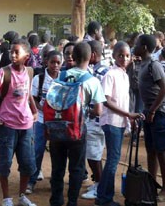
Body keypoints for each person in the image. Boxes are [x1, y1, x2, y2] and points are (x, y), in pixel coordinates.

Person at [48, 42, 105, 206]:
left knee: (57, 168)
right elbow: (99, 111)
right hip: (77, 130)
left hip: (57, 127)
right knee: (76, 169)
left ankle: (56, 201)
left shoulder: (60, 75)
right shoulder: (92, 80)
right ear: (90, 57)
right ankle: (72, 202)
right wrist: (86, 110)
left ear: (73, 56)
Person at [0, 38, 38, 206]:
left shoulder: (29, 72)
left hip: (26, 125)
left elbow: (28, 94)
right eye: (11, 52)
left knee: (27, 163)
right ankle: (7, 198)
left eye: (17, 52)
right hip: (7, 125)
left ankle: (22, 196)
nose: (13, 55)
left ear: (27, 56)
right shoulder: (3, 73)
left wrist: (34, 111)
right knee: (5, 163)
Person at [94, 42, 143, 206]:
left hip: (120, 121)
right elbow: (105, 101)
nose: (124, 58)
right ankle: (104, 198)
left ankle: (103, 194)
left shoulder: (124, 74)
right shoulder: (111, 74)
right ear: (114, 55)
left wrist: (129, 119)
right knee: (113, 160)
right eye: (121, 55)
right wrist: (128, 115)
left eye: (127, 55)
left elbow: (123, 101)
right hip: (112, 122)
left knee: (113, 159)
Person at [133, 34, 165, 202]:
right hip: (150, 112)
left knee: (161, 150)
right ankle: (151, 184)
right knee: (150, 149)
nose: (134, 46)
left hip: (161, 112)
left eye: (136, 44)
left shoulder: (153, 65)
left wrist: (154, 109)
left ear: (144, 47)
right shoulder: (141, 64)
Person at [26, 50, 62, 195]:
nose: (55, 65)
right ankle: (31, 180)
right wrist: (42, 110)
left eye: (58, 62)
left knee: (57, 152)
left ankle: (55, 181)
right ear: (47, 62)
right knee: (38, 150)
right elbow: (33, 98)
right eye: (52, 62)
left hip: (58, 121)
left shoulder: (63, 78)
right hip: (41, 119)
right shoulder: (38, 79)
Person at [81, 40, 110, 200]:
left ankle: (99, 186)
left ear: (93, 54)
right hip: (96, 119)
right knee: (93, 152)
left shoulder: (99, 73)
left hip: (96, 120)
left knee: (94, 154)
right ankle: (98, 183)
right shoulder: (102, 69)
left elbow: (102, 98)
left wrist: (92, 111)